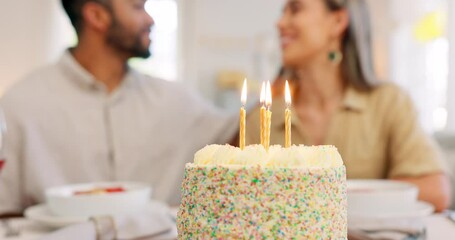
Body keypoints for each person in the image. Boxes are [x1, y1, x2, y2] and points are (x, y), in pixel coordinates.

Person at [0, 0, 236, 215]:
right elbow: (5, 210)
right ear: (97, 16)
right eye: (137, 7)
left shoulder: (174, 98)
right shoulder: (20, 105)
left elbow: (237, 136)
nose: (150, 20)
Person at [246, 0, 452, 211]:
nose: (280, 23)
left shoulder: (389, 102)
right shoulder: (262, 118)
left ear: (338, 21)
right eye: (284, 12)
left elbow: (434, 191)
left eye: (295, 10)